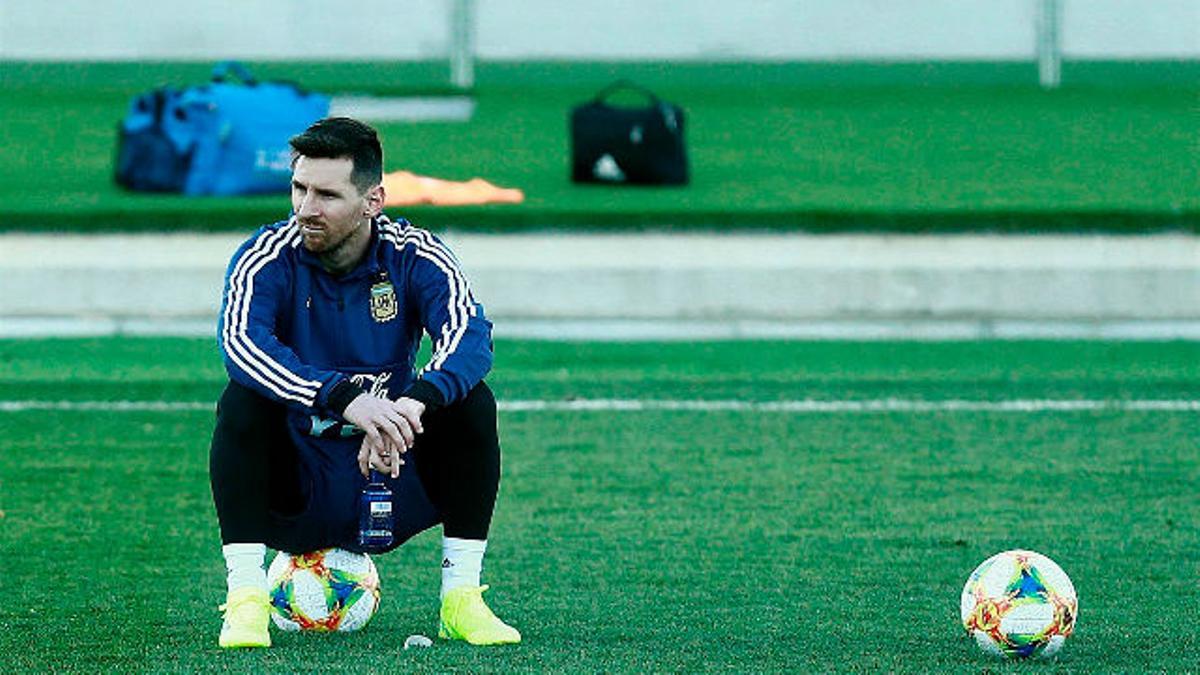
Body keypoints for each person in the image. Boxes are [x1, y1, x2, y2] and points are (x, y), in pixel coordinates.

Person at [209, 117, 519, 648]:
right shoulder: (265, 258)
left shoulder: (415, 254)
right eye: (299, 188)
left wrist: (412, 407)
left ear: (373, 200)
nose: (306, 208)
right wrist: (345, 399)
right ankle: (245, 599)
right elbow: (242, 344)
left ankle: (461, 598)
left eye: (327, 195)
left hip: (388, 469)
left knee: (471, 402)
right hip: (295, 475)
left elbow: (469, 334)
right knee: (241, 401)